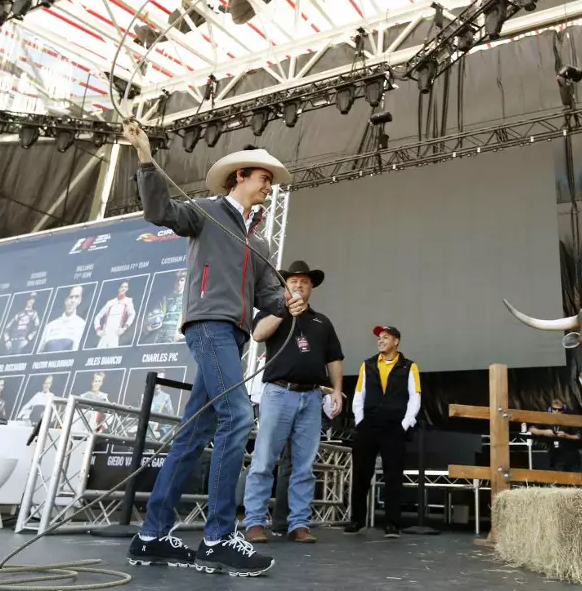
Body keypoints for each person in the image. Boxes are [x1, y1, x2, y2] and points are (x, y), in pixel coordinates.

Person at [121, 118, 304, 577]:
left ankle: (150, 538)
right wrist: (145, 156)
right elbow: (159, 212)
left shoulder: (257, 239)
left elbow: (267, 297)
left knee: (193, 433)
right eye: (263, 179)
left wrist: (288, 299)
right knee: (238, 416)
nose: (268, 187)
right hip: (208, 326)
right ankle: (219, 538)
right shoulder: (204, 212)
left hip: (233, 334)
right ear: (239, 176)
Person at [242, 260, 344, 544]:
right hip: (278, 393)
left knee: (304, 465)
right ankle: (253, 522)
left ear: (311, 287)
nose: (299, 285)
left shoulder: (321, 322)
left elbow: (334, 358)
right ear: (285, 286)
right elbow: (258, 334)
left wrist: (336, 390)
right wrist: (284, 309)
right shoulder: (272, 311)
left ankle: (298, 523)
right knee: (264, 461)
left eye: (304, 282)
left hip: (311, 396)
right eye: (293, 281)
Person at [346, 325, 421, 538]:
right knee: (361, 475)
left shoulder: (409, 366)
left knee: (393, 477)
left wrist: (405, 424)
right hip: (368, 425)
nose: (380, 341)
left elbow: (415, 397)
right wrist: (360, 421)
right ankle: (357, 521)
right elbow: (359, 393)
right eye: (379, 338)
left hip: (394, 427)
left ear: (396, 341)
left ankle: (392, 524)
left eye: (385, 337)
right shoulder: (367, 364)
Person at [529, 399, 582, 472]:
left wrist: (566, 436)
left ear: (563, 410)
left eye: (560, 410)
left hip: (571, 455)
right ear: (550, 409)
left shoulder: (569, 420)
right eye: (554, 409)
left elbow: (579, 436)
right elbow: (531, 429)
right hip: (556, 455)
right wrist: (544, 432)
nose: (557, 412)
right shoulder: (546, 419)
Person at [38, 286, 86, 353]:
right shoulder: (50, 325)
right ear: (65, 300)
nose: (73, 300)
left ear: (79, 300)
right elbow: (39, 351)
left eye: (76, 297)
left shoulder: (82, 324)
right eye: (70, 297)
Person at [93, 282, 137, 348]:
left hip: (115, 333)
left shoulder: (128, 301)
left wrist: (124, 328)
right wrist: (98, 330)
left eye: (125, 287)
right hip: (105, 334)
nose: (123, 289)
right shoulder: (110, 302)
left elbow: (132, 314)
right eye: (122, 287)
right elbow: (98, 316)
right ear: (118, 288)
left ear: (127, 289)